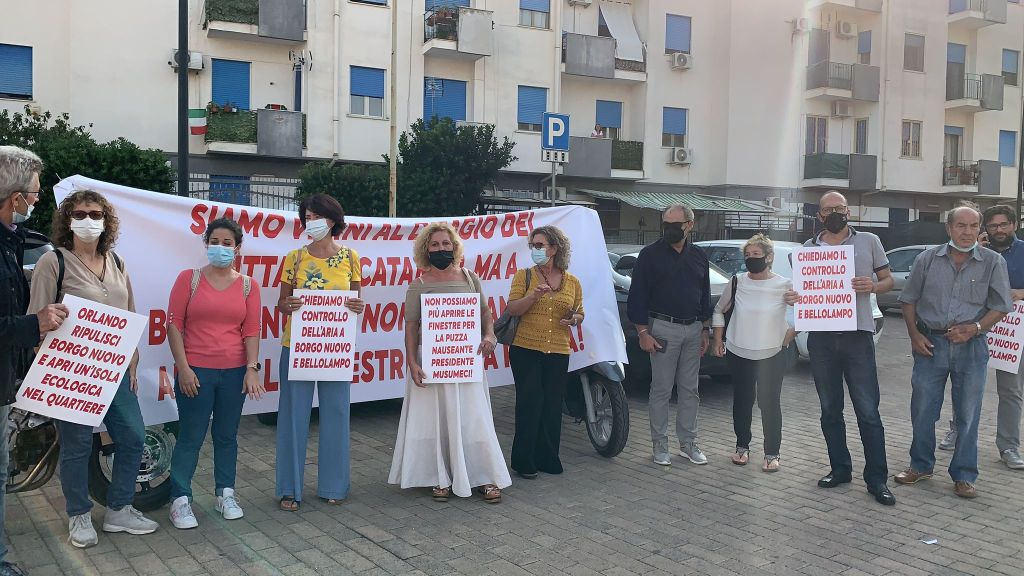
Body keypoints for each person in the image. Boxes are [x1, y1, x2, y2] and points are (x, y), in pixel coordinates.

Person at [28, 189, 158, 547]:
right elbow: (35, 318)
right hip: (71, 374)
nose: (89, 220)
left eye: (96, 214)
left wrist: (132, 357)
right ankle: (79, 515)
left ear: (106, 221)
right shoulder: (53, 263)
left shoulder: (116, 262)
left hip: (113, 371)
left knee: (132, 437)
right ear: (68, 219)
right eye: (81, 213)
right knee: (77, 446)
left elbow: (129, 313)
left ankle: (119, 510)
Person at [784, 191, 896, 506]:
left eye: (840, 208)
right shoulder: (806, 250)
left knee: (868, 411)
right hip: (821, 338)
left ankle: (877, 479)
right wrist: (794, 298)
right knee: (830, 409)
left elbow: (888, 281)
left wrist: (872, 285)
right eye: (828, 209)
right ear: (819, 216)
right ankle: (840, 468)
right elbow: (802, 290)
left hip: (857, 336)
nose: (835, 212)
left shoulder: (870, 241)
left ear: (849, 211)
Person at [388, 222, 510, 502]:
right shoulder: (417, 285)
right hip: (431, 364)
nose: (441, 249)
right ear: (425, 249)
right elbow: (410, 326)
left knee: (473, 420)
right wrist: (411, 362)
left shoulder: (470, 278)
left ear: (454, 247)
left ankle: (483, 476)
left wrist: (490, 335)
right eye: (435, 245)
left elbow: (485, 313)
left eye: (446, 244)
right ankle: (437, 476)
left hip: (466, 362)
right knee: (433, 421)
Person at [896, 206, 1012, 499]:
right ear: (948, 228)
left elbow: (1001, 306)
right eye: (960, 225)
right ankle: (920, 466)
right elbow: (908, 300)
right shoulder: (927, 259)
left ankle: (963, 475)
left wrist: (974, 328)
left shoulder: (992, 262)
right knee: (922, 410)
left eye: (973, 226)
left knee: (968, 414)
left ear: (979, 228)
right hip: (930, 345)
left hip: (972, 348)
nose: (967, 231)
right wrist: (914, 336)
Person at [165, 218, 263, 529]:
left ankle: (226, 494)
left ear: (237, 248)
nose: (220, 247)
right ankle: (180, 500)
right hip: (196, 372)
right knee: (190, 437)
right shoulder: (188, 279)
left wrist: (251, 369)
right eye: (214, 241)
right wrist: (183, 368)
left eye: (227, 243)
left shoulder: (248, 285)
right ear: (206, 244)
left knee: (226, 436)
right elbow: (173, 325)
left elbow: (252, 331)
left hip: (234, 373)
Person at [0, 146, 66, 576]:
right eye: (35, 193)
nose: (38, 201)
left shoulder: (11, 240)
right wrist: (34, 323)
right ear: (15, 196)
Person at [276, 193, 364, 511]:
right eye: (307, 217)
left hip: (335, 349)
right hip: (297, 347)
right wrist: (291, 304)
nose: (311, 222)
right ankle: (289, 488)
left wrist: (357, 306)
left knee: (337, 416)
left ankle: (334, 485)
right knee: (292, 418)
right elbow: (281, 304)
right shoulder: (294, 258)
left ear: (333, 220)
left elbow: (356, 302)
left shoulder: (352, 258)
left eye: (317, 216)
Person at [936, 205, 1024, 469]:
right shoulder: (972, 251)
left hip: (1011, 331)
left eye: (1003, 225)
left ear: (1014, 225)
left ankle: (1008, 446)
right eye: (993, 225)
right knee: (963, 383)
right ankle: (957, 430)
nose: (998, 230)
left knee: (1010, 390)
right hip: (972, 328)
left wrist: (1021, 292)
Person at [627, 204, 711, 466]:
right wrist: (642, 331)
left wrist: (705, 329)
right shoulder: (649, 255)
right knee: (661, 389)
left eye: (676, 224)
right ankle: (659, 444)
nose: (670, 229)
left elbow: (704, 295)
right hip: (662, 328)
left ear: (690, 225)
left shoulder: (699, 256)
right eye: (666, 223)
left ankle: (688, 442)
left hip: (693, 329)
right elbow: (637, 295)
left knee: (690, 390)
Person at [504, 226, 584, 478]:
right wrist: (532, 296)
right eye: (533, 245)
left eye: (540, 245)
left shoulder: (572, 281)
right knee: (529, 403)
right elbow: (513, 309)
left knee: (551, 404)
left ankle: (548, 458)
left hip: (559, 350)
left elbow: (580, 311)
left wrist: (575, 319)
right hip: (526, 349)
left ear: (555, 248)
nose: (535, 250)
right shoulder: (524, 276)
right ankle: (524, 461)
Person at [711, 234, 795, 472]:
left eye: (755, 255)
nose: (750, 259)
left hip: (772, 354)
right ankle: (742, 447)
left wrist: (794, 331)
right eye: (747, 255)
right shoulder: (737, 281)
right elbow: (719, 310)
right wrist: (718, 339)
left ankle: (772, 453)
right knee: (742, 402)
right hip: (739, 351)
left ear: (769, 257)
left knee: (770, 404)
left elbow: (806, 311)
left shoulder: (785, 284)